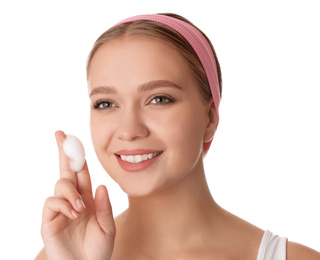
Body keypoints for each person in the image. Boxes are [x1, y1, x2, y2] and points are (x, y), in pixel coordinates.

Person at [36, 13, 320, 260]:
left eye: (159, 99)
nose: (129, 131)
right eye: (106, 103)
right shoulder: (61, 254)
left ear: (209, 118)